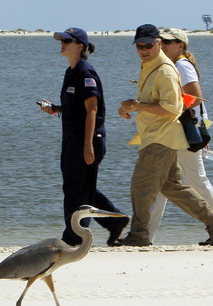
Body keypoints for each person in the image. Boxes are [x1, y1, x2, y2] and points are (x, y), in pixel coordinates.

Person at [117, 24, 213, 247]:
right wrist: (132, 107)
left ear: (157, 44)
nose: (143, 49)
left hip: (162, 137)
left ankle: (139, 235)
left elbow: (172, 108)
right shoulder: (150, 66)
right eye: (139, 45)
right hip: (160, 136)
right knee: (173, 187)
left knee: (140, 187)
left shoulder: (167, 70)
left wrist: (136, 105)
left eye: (148, 45)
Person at [39, 27, 129, 246]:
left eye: (66, 41)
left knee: (77, 188)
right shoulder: (71, 71)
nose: (62, 44)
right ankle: (115, 220)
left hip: (87, 140)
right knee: (79, 186)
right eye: (61, 40)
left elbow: (92, 110)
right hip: (72, 139)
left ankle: (74, 236)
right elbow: (76, 108)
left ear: (80, 46)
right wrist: (55, 109)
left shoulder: (85, 72)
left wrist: (88, 145)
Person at [149, 28, 213, 245]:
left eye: (169, 42)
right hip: (176, 131)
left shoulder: (181, 65)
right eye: (162, 41)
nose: (164, 45)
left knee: (193, 181)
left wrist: (165, 105)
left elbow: (196, 98)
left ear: (181, 45)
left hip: (182, 133)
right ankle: (145, 234)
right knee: (166, 182)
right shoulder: (175, 65)